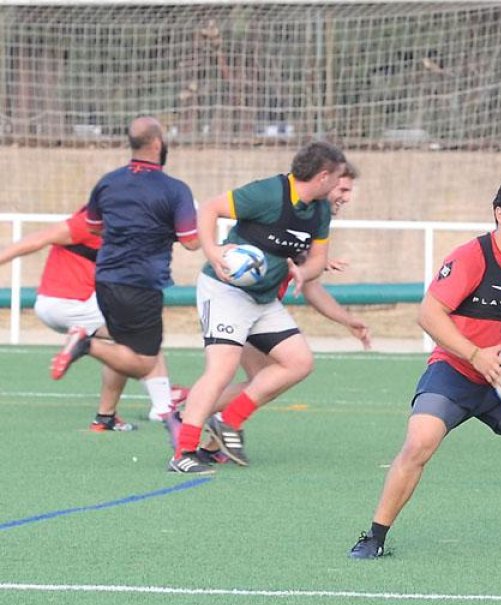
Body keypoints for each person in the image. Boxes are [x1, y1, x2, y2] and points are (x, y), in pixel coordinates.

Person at [348, 174, 501, 562]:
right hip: (456, 372)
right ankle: (375, 536)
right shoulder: (471, 256)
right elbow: (428, 314)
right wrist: (476, 355)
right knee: (419, 442)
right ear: (499, 214)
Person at [167, 140, 347, 474]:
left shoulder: (319, 211)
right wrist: (213, 252)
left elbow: (318, 260)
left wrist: (302, 271)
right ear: (323, 177)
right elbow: (209, 208)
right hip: (225, 291)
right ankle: (183, 452)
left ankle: (228, 420)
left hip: (263, 300)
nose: (339, 187)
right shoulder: (268, 194)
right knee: (222, 368)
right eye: (337, 179)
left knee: (298, 363)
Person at [49, 117, 200, 409]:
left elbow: (93, 226)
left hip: (105, 279)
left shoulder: (109, 182)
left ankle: (157, 411)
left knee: (127, 349)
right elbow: (191, 241)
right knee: (144, 362)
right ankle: (85, 342)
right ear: (157, 144)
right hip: (141, 282)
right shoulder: (175, 189)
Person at [1, 207, 183, 428]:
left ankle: (106, 418)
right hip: (69, 302)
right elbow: (36, 240)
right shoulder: (90, 223)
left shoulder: (122, 225)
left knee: (126, 343)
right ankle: (163, 407)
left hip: (62, 304)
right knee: (142, 337)